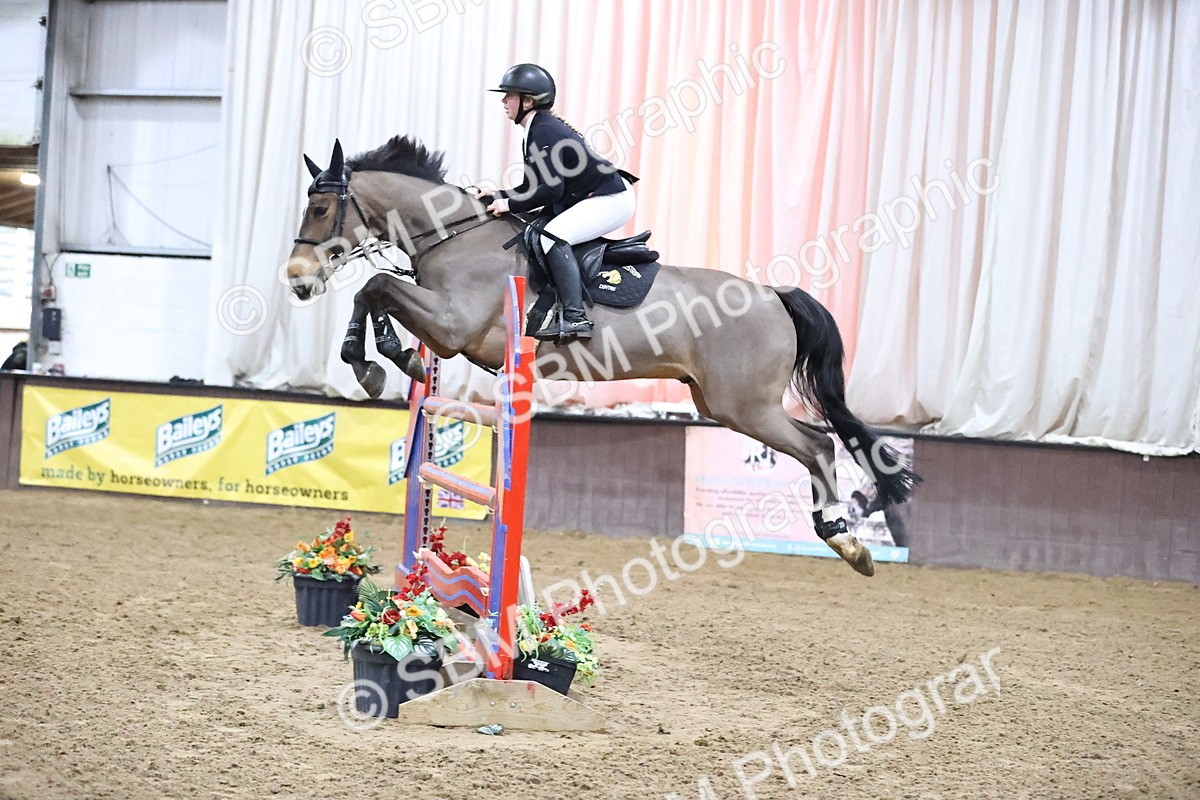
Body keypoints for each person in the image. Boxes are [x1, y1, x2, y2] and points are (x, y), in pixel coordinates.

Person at [475, 63, 637, 341]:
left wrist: (509, 205)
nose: (504, 101)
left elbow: (551, 191)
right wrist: (498, 196)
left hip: (612, 199)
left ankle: (576, 317)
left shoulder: (544, 131)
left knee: (553, 236)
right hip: (596, 196)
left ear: (528, 101)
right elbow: (530, 187)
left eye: (509, 95)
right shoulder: (535, 129)